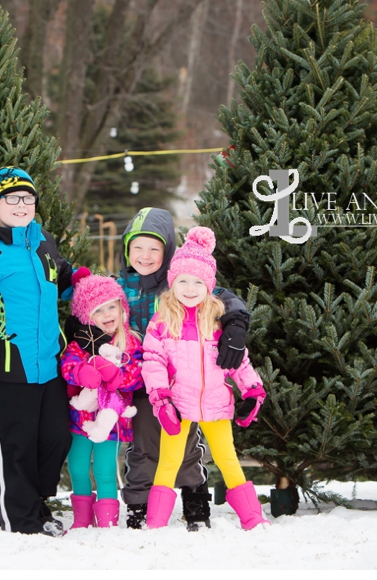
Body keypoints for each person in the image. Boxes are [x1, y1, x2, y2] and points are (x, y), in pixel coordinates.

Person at [0, 166, 86, 536]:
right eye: (11, 198)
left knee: (56, 437)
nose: (21, 205)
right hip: (6, 367)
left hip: (50, 365)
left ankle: (37, 505)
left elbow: (57, 282)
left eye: (28, 198)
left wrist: (82, 283)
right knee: (16, 447)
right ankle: (22, 524)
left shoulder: (43, 242)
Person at [112, 207, 251, 531]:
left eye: (154, 249)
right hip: (142, 382)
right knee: (144, 445)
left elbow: (225, 299)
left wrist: (236, 326)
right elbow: (94, 306)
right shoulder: (119, 286)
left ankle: (195, 500)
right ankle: (138, 504)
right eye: (137, 248)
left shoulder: (181, 281)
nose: (145, 256)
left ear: (168, 251)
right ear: (127, 249)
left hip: (185, 382)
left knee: (188, 446)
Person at [141, 226, 269, 531]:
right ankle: (155, 523)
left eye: (197, 281)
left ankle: (253, 519)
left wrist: (252, 390)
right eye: (182, 280)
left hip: (215, 401)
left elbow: (238, 361)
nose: (189, 287)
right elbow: (153, 360)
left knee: (228, 459)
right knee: (168, 462)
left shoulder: (218, 319)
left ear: (209, 285)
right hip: (179, 403)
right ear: (172, 283)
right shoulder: (162, 320)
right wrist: (161, 400)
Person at [60, 271, 143, 530]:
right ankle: (82, 520)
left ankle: (107, 520)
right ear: (87, 317)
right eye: (98, 311)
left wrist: (116, 376)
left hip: (111, 423)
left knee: (106, 470)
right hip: (80, 422)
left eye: (111, 307)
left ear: (122, 308)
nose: (107, 315)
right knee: (77, 467)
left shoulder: (130, 342)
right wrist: (81, 373)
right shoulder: (80, 344)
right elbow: (67, 365)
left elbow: (137, 375)